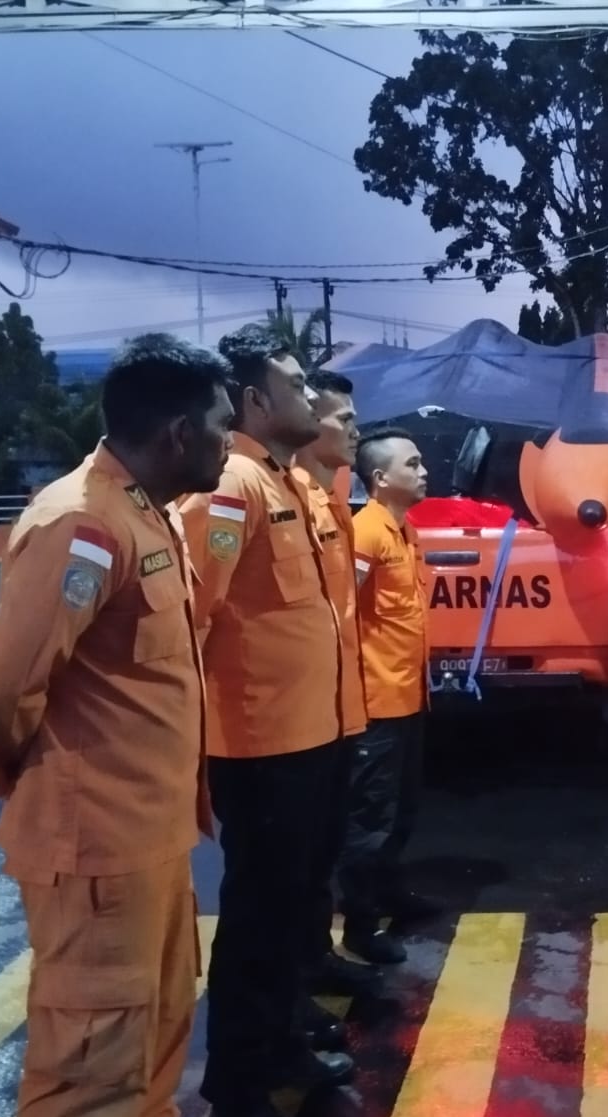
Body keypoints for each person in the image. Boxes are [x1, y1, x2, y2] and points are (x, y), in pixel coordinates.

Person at [0, 333, 255, 1117]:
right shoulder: (82, 524)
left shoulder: (147, 512)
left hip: (153, 835)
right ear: (175, 430)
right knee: (89, 1052)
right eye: (219, 424)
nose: (229, 441)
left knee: (156, 1018)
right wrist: (28, 778)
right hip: (95, 845)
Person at [179, 324, 356, 1117]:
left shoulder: (287, 481)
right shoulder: (231, 491)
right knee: (256, 928)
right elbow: (194, 614)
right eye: (292, 384)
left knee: (294, 917)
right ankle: (236, 1106)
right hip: (261, 748)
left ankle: (282, 1047)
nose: (311, 399)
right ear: (254, 399)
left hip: (311, 737)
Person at [287, 368, 371, 1045]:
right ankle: (277, 1028)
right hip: (274, 736)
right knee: (271, 900)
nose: (355, 428)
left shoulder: (322, 496)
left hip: (327, 717)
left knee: (315, 869)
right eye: (343, 417)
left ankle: (310, 972)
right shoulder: (244, 495)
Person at [340, 428, 437, 965]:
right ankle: (359, 927)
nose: (424, 472)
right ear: (380, 478)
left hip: (408, 696)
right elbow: (344, 615)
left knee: (400, 812)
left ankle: (389, 896)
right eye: (414, 463)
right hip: (377, 703)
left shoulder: (405, 530)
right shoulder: (366, 534)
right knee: (369, 822)